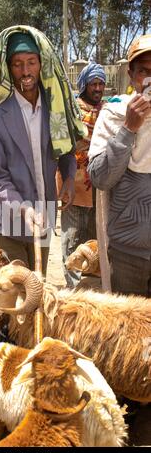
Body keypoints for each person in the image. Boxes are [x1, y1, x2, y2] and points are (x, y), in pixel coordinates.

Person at [0, 26, 85, 274]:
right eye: (17, 64)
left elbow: (65, 147)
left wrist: (69, 178)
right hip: (10, 221)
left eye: (31, 62)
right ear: (7, 67)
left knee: (40, 285)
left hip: (44, 216)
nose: (26, 71)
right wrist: (23, 208)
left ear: (42, 64)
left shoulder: (54, 105)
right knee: (18, 295)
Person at [88, 34, 151, 297]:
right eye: (144, 72)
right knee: (130, 333)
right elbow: (100, 178)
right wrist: (129, 128)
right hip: (129, 252)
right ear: (131, 75)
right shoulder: (113, 114)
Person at [59, 63, 106, 287]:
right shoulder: (73, 110)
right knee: (72, 238)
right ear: (84, 85)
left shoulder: (108, 109)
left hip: (101, 186)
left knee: (94, 239)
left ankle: (90, 286)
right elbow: (66, 143)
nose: (97, 88)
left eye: (100, 84)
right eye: (93, 84)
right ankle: (73, 288)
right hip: (75, 186)